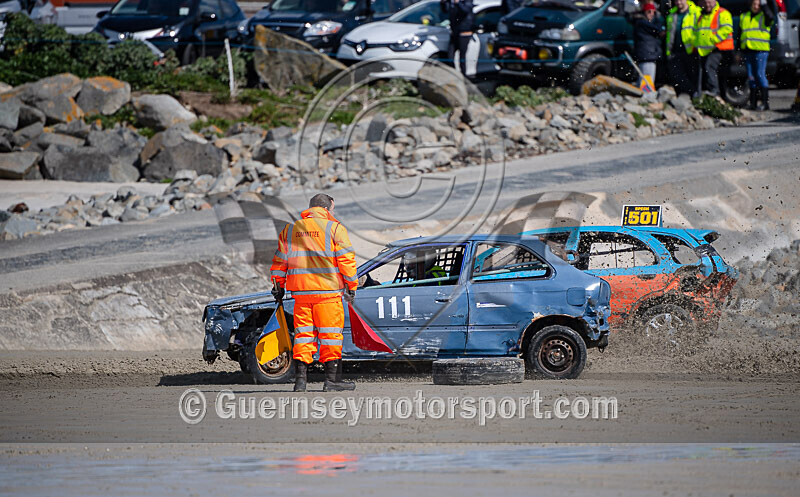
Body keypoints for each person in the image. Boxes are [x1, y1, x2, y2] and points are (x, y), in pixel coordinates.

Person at [270, 193, 358, 392]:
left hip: (301, 294)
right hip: (327, 294)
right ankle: (332, 381)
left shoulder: (290, 230)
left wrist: (278, 285)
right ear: (327, 208)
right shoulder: (335, 229)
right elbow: (346, 261)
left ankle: (300, 382)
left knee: (303, 335)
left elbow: (279, 263)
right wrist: (352, 286)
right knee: (331, 336)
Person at [740, 0, 776, 110]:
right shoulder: (744, 16)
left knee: (760, 74)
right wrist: (739, 51)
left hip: (760, 50)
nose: (756, 7)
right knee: (751, 77)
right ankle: (753, 103)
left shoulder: (764, 15)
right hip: (748, 49)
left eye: (758, 5)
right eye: (754, 4)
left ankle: (765, 103)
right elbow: (740, 34)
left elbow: (771, 16)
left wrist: (764, 4)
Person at [693, 0, 733, 97]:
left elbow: (727, 29)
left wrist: (713, 40)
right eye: (705, 2)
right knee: (703, 71)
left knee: (709, 67)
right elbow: (698, 33)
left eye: (709, 2)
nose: (707, 5)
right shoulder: (702, 16)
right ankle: (704, 93)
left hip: (719, 48)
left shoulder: (723, 13)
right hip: (704, 50)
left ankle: (714, 91)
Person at [665, 0, 702, 95]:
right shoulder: (672, 14)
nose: (678, 2)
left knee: (692, 75)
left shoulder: (696, 12)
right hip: (675, 50)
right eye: (676, 1)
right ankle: (689, 94)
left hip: (691, 49)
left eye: (681, 0)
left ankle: (693, 95)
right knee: (677, 74)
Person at [633, 2, 665, 89]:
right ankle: (647, 97)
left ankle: (643, 95)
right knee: (647, 79)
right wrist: (659, 19)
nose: (652, 14)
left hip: (648, 55)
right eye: (649, 12)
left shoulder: (641, 22)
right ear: (644, 12)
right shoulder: (642, 23)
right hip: (647, 56)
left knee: (644, 78)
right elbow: (657, 29)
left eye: (653, 12)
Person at [441, 0, 474, 76]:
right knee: (450, 56)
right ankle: (454, 74)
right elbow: (445, 11)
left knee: (462, 57)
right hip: (454, 32)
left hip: (464, 32)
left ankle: (463, 76)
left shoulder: (466, 1)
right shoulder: (451, 2)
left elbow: (465, 10)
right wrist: (443, 3)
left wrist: (458, 2)